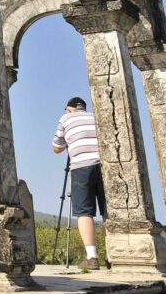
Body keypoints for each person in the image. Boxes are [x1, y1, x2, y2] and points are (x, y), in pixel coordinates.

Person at [52, 96, 108, 270]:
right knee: (109, 210)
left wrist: (68, 144)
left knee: (84, 211)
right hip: (105, 164)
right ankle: (115, 253)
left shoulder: (65, 118)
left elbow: (56, 147)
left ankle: (92, 256)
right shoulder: (95, 116)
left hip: (82, 166)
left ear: (69, 109)